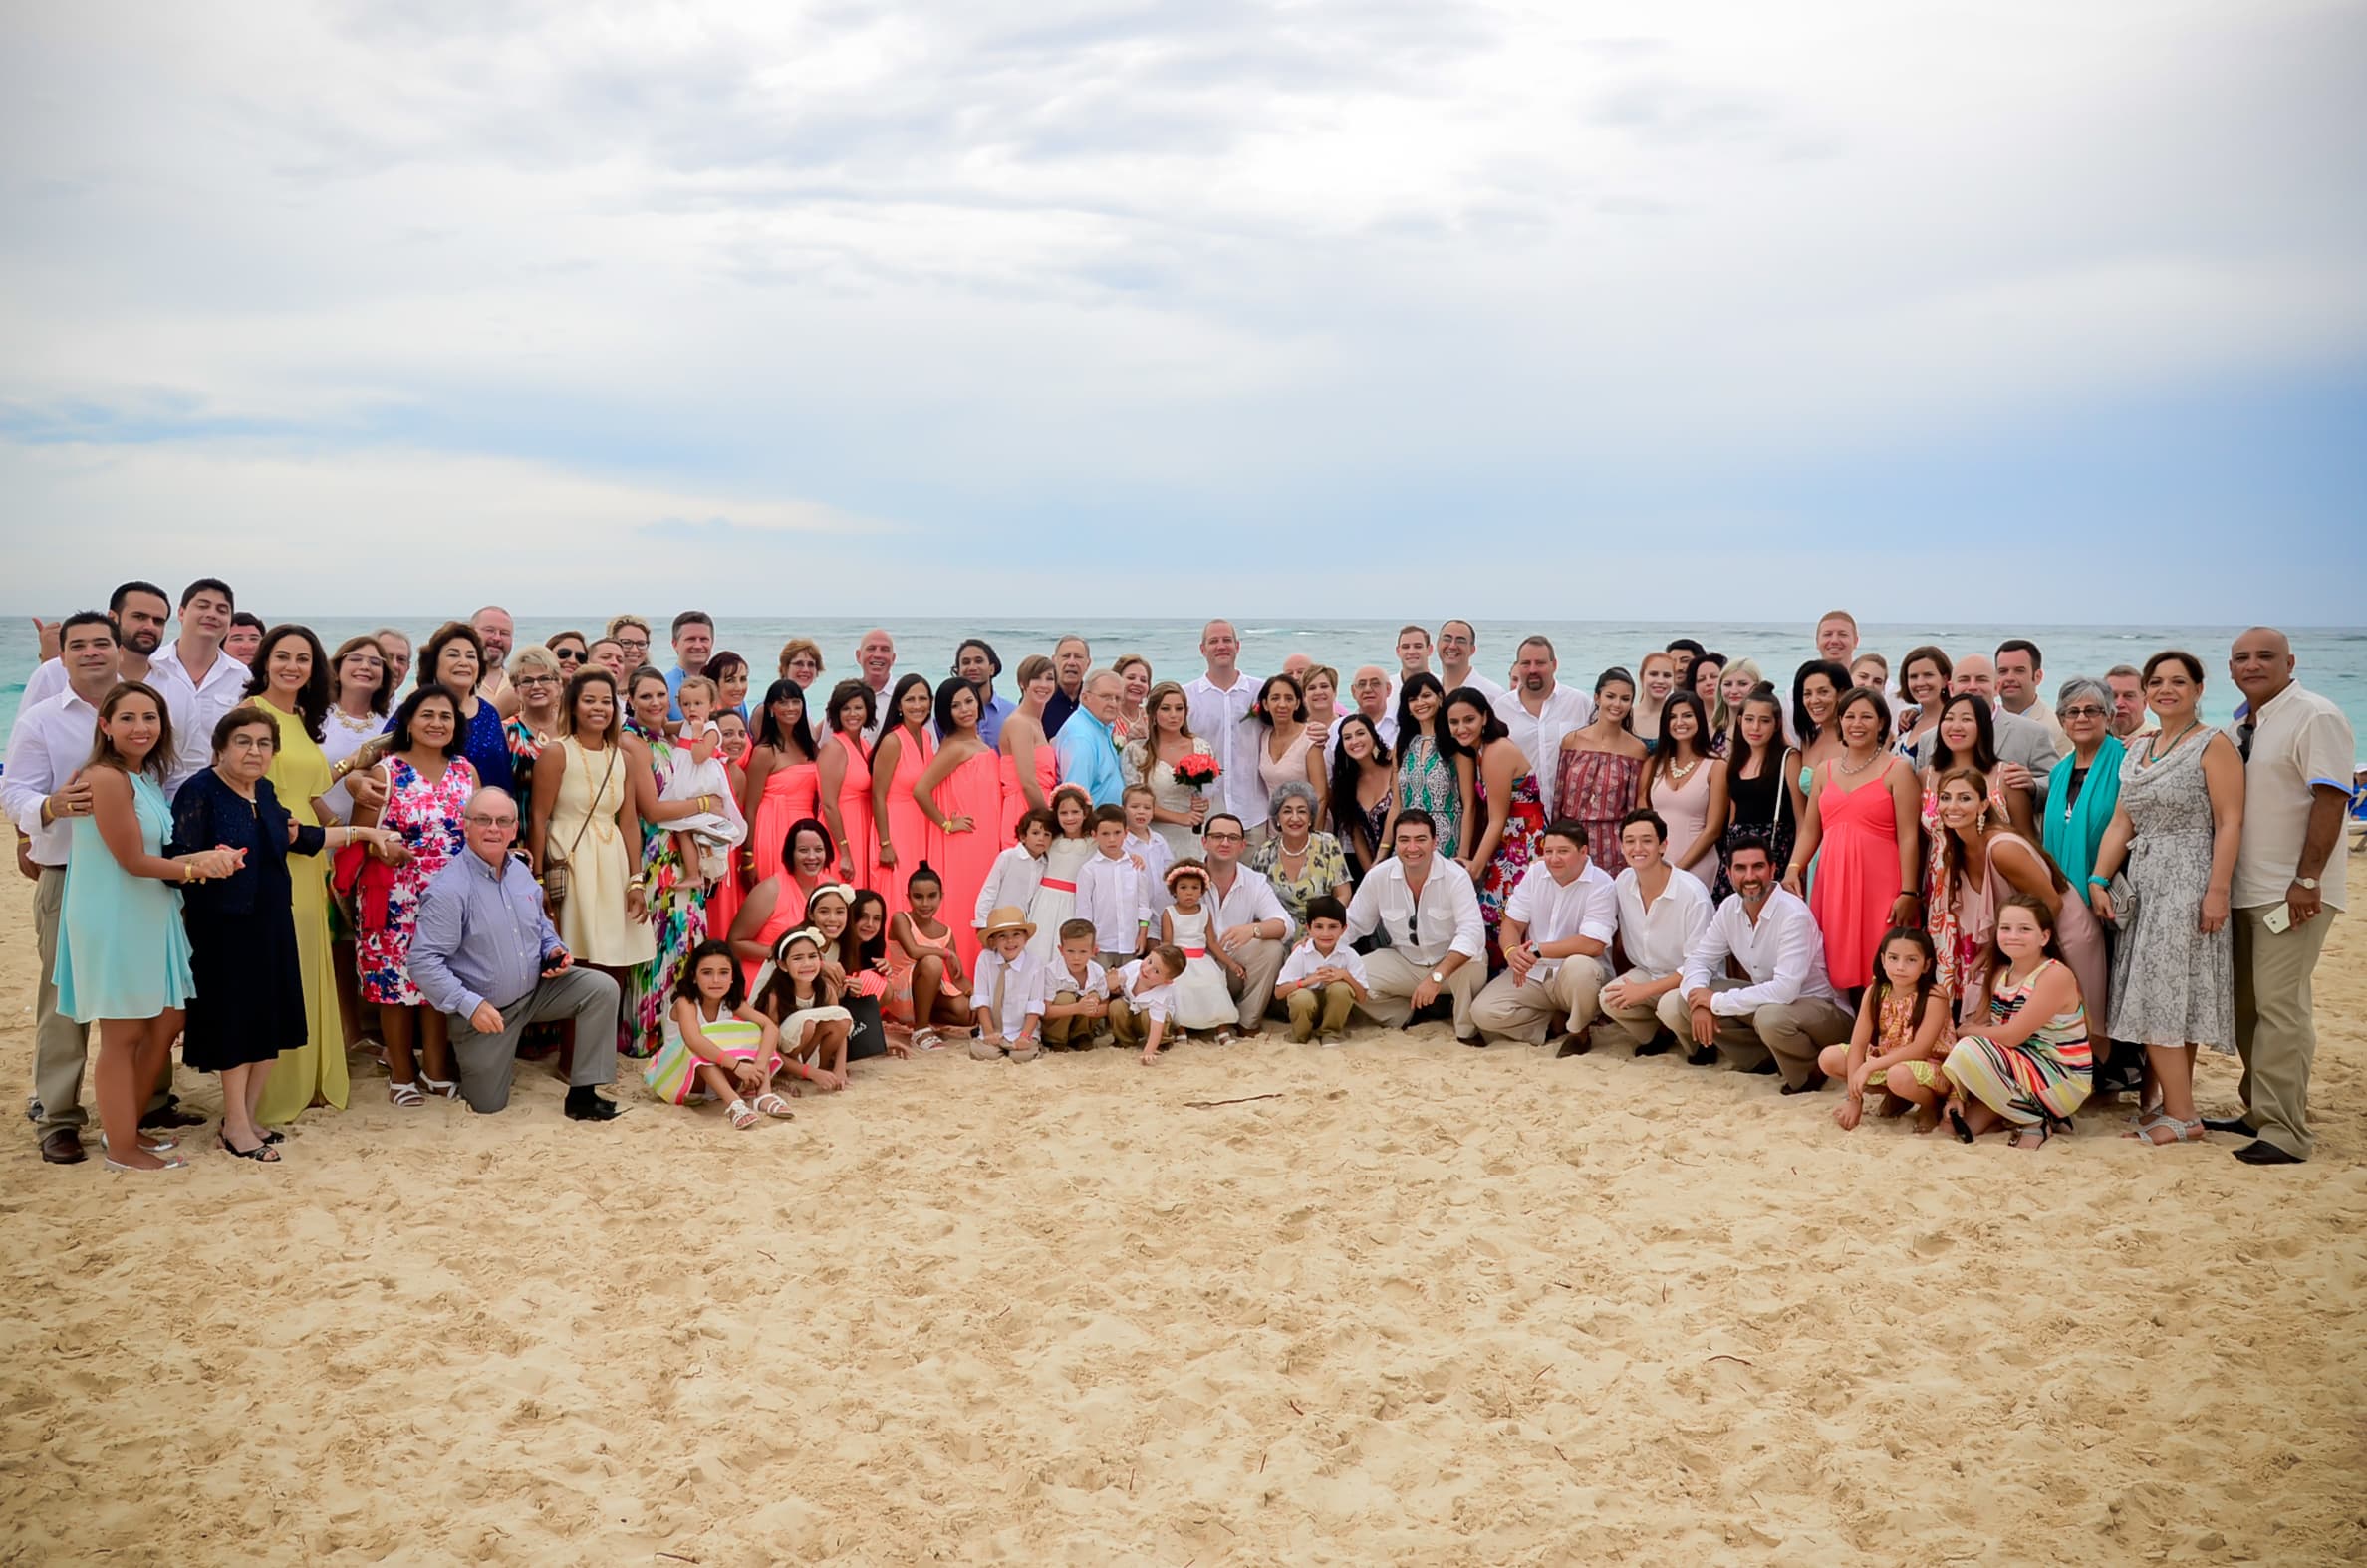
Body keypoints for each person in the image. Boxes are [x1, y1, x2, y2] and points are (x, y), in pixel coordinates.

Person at [174, 707, 395, 1159]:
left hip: (273, 920)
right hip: (223, 927)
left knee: (268, 1023)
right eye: (243, 742)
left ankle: (249, 1116)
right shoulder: (200, 791)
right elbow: (177, 859)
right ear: (221, 747)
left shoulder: (266, 792)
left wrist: (364, 834)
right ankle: (235, 1124)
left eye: (263, 744)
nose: (254, 751)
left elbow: (302, 839)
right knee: (236, 1029)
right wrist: (207, 862)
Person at [51, 683, 241, 1171]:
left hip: (150, 911)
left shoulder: (145, 780)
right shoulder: (105, 778)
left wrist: (201, 857)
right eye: (129, 718)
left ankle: (127, 1127)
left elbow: (156, 854)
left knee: (165, 1021)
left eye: (150, 718)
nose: (141, 728)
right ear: (105, 726)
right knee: (123, 1035)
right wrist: (196, 870)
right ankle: (121, 1147)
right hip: (115, 916)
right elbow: (133, 861)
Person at [5, 618, 156, 1163]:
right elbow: (14, 789)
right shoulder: (42, 718)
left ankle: (148, 1101)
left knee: (142, 993)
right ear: (60, 656)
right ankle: (59, 1116)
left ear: (118, 651)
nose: (90, 653)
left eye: (100, 643)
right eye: (78, 645)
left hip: (140, 882)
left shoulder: (142, 714)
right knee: (64, 1002)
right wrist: (48, 808)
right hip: (68, 877)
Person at [2088, 651, 2243, 1146]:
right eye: (2156, 682)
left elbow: (2231, 821)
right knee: (2170, 996)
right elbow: (2121, 820)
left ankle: (2182, 1116)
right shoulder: (2138, 749)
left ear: (2199, 689)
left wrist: (2216, 890)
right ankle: (2177, 1107)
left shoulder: (2214, 745)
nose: (2165, 690)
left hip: (2190, 876)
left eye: (2178, 681)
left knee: (2166, 995)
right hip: (2145, 877)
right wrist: (2098, 876)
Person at [2212, 627, 2353, 1165]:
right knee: (2248, 1007)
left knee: (2281, 1008)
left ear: (2290, 661)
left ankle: (2287, 1132)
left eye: (2265, 656)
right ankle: (2257, 1110)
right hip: (2246, 890)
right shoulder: (2241, 724)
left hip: (2292, 892)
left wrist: (2308, 879)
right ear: (2229, 670)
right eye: (2242, 658)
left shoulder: (2314, 715)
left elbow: (2332, 796)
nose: (2253, 665)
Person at [405, 788, 622, 1119]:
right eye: (483, 820)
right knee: (488, 1104)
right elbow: (422, 962)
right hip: (486, 1012)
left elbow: (540, 925)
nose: (494, 828)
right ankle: (459, 1060)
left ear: (514, 828)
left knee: (601, 989)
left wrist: (554, 950)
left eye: (503, 821)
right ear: (466, 827)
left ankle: (583, 1093)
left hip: (536, 991)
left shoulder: (521, 871)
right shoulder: (449, 889)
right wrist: (471, 1005)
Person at [244, 624, 356, 1126]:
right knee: (277, 968)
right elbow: (246, 789)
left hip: (312, 855)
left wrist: (345, 828)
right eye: (283, 656)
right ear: (264, 661)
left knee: (310, 964)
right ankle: (272, 1091)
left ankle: (312, 1078)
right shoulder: (251, 716)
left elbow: (311, 795)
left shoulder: (302, 721)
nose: (293, 666)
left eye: (304, 659)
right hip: (273, 854)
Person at [352, 684, 478, 1103]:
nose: (437, 723)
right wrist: (383, 846)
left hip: (453, 897)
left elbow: (478, 832)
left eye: (446, 716)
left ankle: (437, 1068)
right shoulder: (385, 771)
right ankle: (402, 1073)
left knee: (441, 983)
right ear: (408, 721)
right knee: (395, 986)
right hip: (396, 894)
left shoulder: (466, 770)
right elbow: (363, 834)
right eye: (427, 715)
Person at [1658, 838, 1853, 1092]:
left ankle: (1808, 1072)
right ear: (1728, 873)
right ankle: (1763, 1059)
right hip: (1773, 1007)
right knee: (1685, 999)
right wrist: (1698, 1000)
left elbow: (1785, 991)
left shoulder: (1793, 915)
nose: (1750, 876)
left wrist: (1713, 1002)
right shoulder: (1729, 907)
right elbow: (1699, 959)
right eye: (1740, 868)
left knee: (1770, 1017)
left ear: (1773, 870)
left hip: (1825, 1012)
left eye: (1758, 867)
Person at [1931, 766, 2109, 1043]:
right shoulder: (1957, 849)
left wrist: (2003, 954)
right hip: (2020, 939)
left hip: (2063, 934)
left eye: (1964, 798)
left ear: (1984, 804)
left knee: (2077, 1026)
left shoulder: (2002, 848)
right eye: (1945, 797)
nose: (1952, 806)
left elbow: (2051, 902)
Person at [1785, 688, 1921, 993]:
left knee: (1883, 961)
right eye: (1849, 716)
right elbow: (1810, 829)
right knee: (1831, 957)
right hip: (1832, 881)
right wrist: (1794, 867)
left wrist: (1908, 890)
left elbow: (1909, 835)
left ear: (1882, 722)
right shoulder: (1825, 771)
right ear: (1840, 721)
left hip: (1881, 883)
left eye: (1866, 717)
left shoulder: (1897, 771)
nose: (1856, 724)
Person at [528, 667, 656, 983]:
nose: (599, 708)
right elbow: (538, 817)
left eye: (606, 702)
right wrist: (538, 880)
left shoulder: (622, 758)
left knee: (616, 958)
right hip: (571, 860)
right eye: (589, 700)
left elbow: (628, 822)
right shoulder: (556, 753)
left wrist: (635, 880)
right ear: (573, 706)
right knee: (576, 961)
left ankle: (608, 1034)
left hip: (612, 860)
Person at [1936, 896, 2089, 1148]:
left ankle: (2034, 1120)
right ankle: (2020, 1115)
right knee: (1952, 1128)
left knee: (1967, 1047)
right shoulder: (2000, 974)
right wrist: (1956, 1092)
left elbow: (2012, 1036)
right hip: (2016, 1072)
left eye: (2025, 929)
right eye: (2006, 928)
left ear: (2045, 937)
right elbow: (1984, 1026)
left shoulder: (2054, 975)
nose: (2013, 936)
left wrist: (1968, 1031)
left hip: (2058, 1077)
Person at [622, 668, 717, 1057]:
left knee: (687, 942)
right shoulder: (632, 744)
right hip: (657, 854)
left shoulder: (669, 738)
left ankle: (686, 1033)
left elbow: (696, 722)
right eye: (645, 697)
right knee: (659, 945)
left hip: (684, 851)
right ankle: (651, 1037)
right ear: (629, 700)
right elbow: (654, 810)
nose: (655, 703)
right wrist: (707, 804)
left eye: (662, 694)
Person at [1918, 692, 2035, 1004]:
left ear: (1983, 726)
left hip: (1993, 886)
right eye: (1949, 719)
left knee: (1990, 967)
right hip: (1942, 889)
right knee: (1945, 974)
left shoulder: (2005, 776)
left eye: (1967, 719)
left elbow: (2027, 840)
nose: (1956, 726)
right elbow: (1918, 842)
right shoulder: (1925, 777)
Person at [1469, 820, 1617, 1050]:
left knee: (1579, 967)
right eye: (1548, 851)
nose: (1553, 858)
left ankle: (1579, 1032)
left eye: (1563, 851)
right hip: (1535, 973)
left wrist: (1536, 951)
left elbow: (1593, 945)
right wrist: (1512, 953)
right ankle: (1552, 1023)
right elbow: (1512, 924)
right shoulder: (1536, 872)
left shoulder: (1602, 883)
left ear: (1583, 851)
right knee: (1483, 1013)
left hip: (1576, 977)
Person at [1343, 811, 1486, 1043]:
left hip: (1450, 967)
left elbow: (1472, 934)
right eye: (1404, 840)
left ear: (1434, 842)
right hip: (1406, 962)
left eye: (1420, 839)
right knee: (1347, 974)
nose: (1411, 847)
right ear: (1395, 843)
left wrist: (1437, 977)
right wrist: (1319, 946)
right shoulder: (1378, 876)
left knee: (1473, 962)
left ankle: (1466, 1032)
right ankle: (1405, 1014)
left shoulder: (1456, 877)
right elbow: (1355, 923)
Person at [1598, 811, 1715, 1057]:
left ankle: (1700, 1045)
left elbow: (1698, 966)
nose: (1637, 848)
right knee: (1609, 998)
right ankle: (1660, 1034)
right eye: (1629, 841)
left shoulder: (1692, 894)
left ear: (1663, 846)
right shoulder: (1623, 881)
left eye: (1647, 840)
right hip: (1648, 972)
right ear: (1621, 846)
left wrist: (1644, 991)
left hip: (1692, 980)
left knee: (1669, 1006)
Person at [644, 941, 794, 1127]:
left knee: (755, 1031)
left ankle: (764, 1095)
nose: (716, 980)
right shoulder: (686, 1003)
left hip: (718, 1080)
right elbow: (693, 1040)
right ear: (693, 977)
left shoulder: (732, 1002)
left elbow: (770, 1027)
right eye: (707, 973)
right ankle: (734, 1104)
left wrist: (759, 1067)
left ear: (733, 977)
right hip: (680, 1080)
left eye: (723, 973)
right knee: (697, 1045)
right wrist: (738, 1066)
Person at [1818, 927, 1950, 1132]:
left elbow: (1920, 1049)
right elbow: (1859, 1044)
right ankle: (1897, 1095)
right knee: (1829, 1057)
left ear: (1926, 965)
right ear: (1882, 959)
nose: (1900, 967)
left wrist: (1869, 1067)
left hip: (1929, 1067)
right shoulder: (1876, 991)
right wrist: (1854, 1099)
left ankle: (1929, 1106)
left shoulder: (1934, 996)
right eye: (1893, 958)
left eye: (1911, 960)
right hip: (1888, 1060)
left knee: (1897, 1075)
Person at [913, 678, 1002, 971]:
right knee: (964, 906)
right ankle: (957, 975)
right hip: (963, 843)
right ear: (945, 713)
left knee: (982, 904)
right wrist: (947, 824)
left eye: (969, 701)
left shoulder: (980, 744)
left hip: (985, 841)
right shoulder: (954, 748)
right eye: (955, 705)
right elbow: (921, 790)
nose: (965, 710)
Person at [1448, 687, 1541, 957]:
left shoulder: (1496, 752)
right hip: (1509, 840)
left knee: (1502, 916)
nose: (1462, 728)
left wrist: (1474, 869)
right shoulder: (1480, 752)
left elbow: (1497, 818)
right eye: (1454, 722)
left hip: (1521, 843)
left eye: (1469, 720)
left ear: (1485, 718)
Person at [147, 578, 252, 793]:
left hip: (216, 796)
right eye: (202, 606)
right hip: (150, 793)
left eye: (222, 609)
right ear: (182, 612)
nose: (212, 614)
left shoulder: (242, 678)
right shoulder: (151, 666)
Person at [1195, 814, 1292, 1035]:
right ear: (1205, 842)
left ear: (1242, 845)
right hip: (1195, 970)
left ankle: (1247, 1023)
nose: (1225, 842)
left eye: (1232, 837)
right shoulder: (1186, 875)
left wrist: (1253, 930)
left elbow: (1285, 924)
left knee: (1271, 948)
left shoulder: (1254, 881)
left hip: (1233, 970)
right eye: (1218, 836)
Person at [398, 621, 512, 790]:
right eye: (453, 655)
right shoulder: (415, 708)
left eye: (471, 656)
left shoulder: (489, 713)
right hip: (423, 812)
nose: (464, 662)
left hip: (487, 813)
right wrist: (354, 777)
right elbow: (379, 756)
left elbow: (503, 775)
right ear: (434, 663)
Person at [2042, 677, 2126, 908]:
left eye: (2091, 711)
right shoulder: (2058, 772)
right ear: (2062, 721)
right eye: (2072, 712)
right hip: (2063, 897)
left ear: (2109, 717)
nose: (2081, 718)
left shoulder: (2127, 761)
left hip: (2113, 894)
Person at [20, 581, 169, 706]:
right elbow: (30, 732)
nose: (150, 626)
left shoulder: (173, 686)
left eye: (158, 621)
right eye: (139, 616)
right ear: (112, 617)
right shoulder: (52, 673)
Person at [1555, 668, 1648, 869]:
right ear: (1597, 698)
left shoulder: (1636, 750)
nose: (1617, 704)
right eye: (1610, 697)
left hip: (1612, 843)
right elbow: (1558, 798)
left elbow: (1633, 806)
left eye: (1625, 699)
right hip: (1571, 837)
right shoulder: (1572, 741)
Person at [1951, 653, 2059, 817]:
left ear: (1997, 688)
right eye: (1964, 680)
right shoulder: (1930, 739)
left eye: (1981, 680)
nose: (1972, 687)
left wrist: (2034, 785)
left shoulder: (2033, 733)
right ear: (1951, 689)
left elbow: (2059, 783)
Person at [1185, 621, 1267, 836]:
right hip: (1207, 813)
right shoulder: (1187, 696)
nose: (1221, 646)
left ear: (1237, 646)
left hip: (1255, 813)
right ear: (1203, 649)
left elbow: (1289, 725)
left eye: (1227, 640)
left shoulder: (1260, 691)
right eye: (1214, 641)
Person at [1638, 690, 1724, 891]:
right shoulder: (1653, 764)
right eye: (1672, 717)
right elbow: (1643, 817)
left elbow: (1713, 829)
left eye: (1687, 716)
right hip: (1656, 861)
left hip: (1697, 863)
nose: (1679, 722)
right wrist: (1655, 863)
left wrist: (1678, 869)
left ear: (1699, 719)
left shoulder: (1716, 766)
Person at [869, 672, 938, 920]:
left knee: (919, 892)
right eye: (910, 700)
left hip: (921, 826)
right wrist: (884, 843)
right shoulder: (892, 741)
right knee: (897, 892)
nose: (917, 705)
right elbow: (877, 795)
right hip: (895, 825)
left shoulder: (927, 737)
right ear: (898, 705)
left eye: (923, 699)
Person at [739, 679, 821, 887]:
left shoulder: (810, 748)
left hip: (806, 827)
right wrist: (747, 855)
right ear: (771, 709)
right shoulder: (764, 752)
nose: (791, 708)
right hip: (772, 827)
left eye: (796, 702)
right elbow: (750, 808)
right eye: (783, 703)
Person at [749, 927, 853, 1089]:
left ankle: (821, 1068)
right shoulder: (774, 997)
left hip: (814, 1054)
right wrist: (810, 1072)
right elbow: (770, 1050)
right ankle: (797, 1073)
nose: (807, 964)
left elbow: (842, 1028)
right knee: (808, 1024)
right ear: (783, 965)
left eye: (812, 957)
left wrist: (840, 1069)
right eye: (797, 959)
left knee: (841, 1019)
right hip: (785, 1058)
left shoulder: (826, 990)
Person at [1248, 781, 1353, 938]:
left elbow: (1343, 895)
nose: (1295, 818)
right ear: (1277, 818)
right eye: (1287, 811)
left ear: (1310, 818)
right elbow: (1256, 905)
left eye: (1302, 811)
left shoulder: (1328, 844)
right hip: (1280, 935)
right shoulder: (1264, 853)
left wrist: (1322, 930)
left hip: (1323, 933)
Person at [1717, 687, 1795, 900]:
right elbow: (1733, 817)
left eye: (1765, 721)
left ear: (1777, 724)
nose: (1756, 728)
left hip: (1774, 848)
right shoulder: (1735, 761)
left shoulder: (1788, 758)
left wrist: (1795, 866)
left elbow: (1802, 818)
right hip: (1738, 851)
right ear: (1740, 721)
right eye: (1750, 720)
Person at [1125, 680, 1215, 860]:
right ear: (1152, 713)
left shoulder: (1201, 747)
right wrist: (1180, 817)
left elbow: (1209, 792)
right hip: (1153, 837)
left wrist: (1204, 804)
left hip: (1192, 837)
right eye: (1165, 709)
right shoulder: (1136, 751)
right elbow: (1133, 803)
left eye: (1179, 709)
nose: (1173, 715)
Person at [1156, 862, 1242, 1040]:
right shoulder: (1169, 913)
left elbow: (1212, 943)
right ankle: (1181, 1030)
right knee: (1180, 990)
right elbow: (1166, 942)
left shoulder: (1204, 911)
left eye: (1195, 887)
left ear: (1203, 891)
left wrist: (1231, 964)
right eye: (1183, 887)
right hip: (1179, 962)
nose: (1189, 892)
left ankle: (1221, 1030)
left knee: (1214, 987)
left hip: (1202, 961)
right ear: (1174, 890)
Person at [1393, 672, 1473, 858]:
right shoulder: (1402, 745)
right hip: (1408, 839)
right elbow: (1396, 805)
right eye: (1413, 699)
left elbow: (1469, 805)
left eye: (1426, 696)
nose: (1420, 703)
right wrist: (1384, 850)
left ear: (1439, 698)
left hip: (1446, 838)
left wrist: (1463, 854)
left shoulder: (1456, 744)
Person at [1271, 896, 1370, 1045]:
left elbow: (1362, 998)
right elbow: (1279, 993)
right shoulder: (1301, 953)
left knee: (1341, 989)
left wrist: (1345, 976)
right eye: (1319, 927)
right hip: (1304, 1010)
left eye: (1332, 927)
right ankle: (1300, 1036)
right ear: (1309, 928)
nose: (1325, 934)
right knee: (1301, 997)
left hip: (1334, 1012)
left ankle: (1331, 1034)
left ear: (1343, 929)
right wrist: (1308, 981)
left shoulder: (1349, 955)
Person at [815, 679, 878, 891]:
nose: (853, 714)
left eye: (858, 708)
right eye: (846, 709)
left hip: (862, 827)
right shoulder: (834, 747)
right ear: (836, 713)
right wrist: (844, 852)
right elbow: (829, 804)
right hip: (841, 831)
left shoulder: (865, 745)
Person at [1073, 805, 1153, 968]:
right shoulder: (1089, 869)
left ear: (1126, 832)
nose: (1111, 839)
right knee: (1101, 986)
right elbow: (1084, 911)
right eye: (1105, 833)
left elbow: (1143, 905)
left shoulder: (1135, 866)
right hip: (1101, 944)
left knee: (1127, 986)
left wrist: (1142, 934)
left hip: (1130, 943)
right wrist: (1088, 943)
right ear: (1094, 835)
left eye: (1117, 833)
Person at [1024, 786, 1097, 958]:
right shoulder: (1051, 838)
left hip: (1075, 902)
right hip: (1046, 901)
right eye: (1063, 813)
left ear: (1085, 813)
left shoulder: (1093, 842)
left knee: (1067, 948)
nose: (1070, 817)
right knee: (1039, 947)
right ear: (1055, 814)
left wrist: (1134, 857)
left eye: (1075, 812)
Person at [968, 906, 1049, 1060]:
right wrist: (989, 1032)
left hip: (1022, 1029)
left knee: (1022, 1056)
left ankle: (1021, 1043)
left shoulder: (1035, 964)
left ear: (1026, 938)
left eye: (1016, 935)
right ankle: (989, 1039)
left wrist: (1025, 1036)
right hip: (992, 1029)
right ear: (993, 942)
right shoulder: (985, 960)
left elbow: (1035, 1005)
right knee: (985, 1053)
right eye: (1002, 937)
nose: (1010, 941)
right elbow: (981, 1000)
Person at [1327, 713, 1398, 883]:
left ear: (1373, 736)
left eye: (1360, 733)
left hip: (1407, 856)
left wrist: (1382, 855)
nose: (1354, 741)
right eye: (1347, 738)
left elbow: (1398, 807)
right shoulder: (1346, 785)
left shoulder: (1395, 766)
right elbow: (1356, 836)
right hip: (1377, 870)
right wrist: (1371, 875)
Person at [997, 654, 1061, 840]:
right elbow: (1028, 782)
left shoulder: (1036, 722)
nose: (1044, 684)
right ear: (1022, 684)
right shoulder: (1019, 723)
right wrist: (1050, 821)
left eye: (1049, 679)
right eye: (1036, 678)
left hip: (1039, 806)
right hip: (1025, 810)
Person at [1251, 672, 1326, 824]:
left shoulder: (1310, 738)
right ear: (1265, 704)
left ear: (1297, 704)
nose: (1282, 705)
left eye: (1289, 699)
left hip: (1306, 825)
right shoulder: (1264, 737)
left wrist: (1314, 837)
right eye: (1275, 698)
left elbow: (1321, 795)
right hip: (1276, 827)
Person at [1030, 917, 1114, 1050]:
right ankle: (1056, 1040)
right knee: (1065, 998)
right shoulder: (1051, 972)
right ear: (1061, 950)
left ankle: (1081, 1036)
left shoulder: (1097, 971)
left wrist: (1091, 1008)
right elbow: (1045, 1011)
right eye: (1070, 951)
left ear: (1093, 952)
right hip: (1056, 1022)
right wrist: (1078, 1008)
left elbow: (1105, 1005)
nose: (1076, 958)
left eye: (1083, 952)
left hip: (1083, 1019)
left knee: (1092, 996)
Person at [1785, 660, 1851, 823]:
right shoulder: (1808, 740)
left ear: (1841, 694)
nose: (1814, 701)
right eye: (1807, 694)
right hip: (1815, 838)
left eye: (1823, 692)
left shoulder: (1856, 740)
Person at [502, 644, 567, 803]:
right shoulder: (504, 732)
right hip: (522, 822)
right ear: (516, 691)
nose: (536, 687)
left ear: (559, 686)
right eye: (527, 681)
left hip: (570, 824)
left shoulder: (572, 730)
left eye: (544, 679)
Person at [1055, 669, 1128, 809]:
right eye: (1106, 697)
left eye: (1118, 699)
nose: (1113, 704)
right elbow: (1076, 799)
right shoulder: (1080, 738)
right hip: (1093, 826)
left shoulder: (1100, 726)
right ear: (1085, 698)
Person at [1110, 945, 1186, 1064]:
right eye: (1149, 961)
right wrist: (1112, 983)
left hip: (1155, 1021)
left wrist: (1149, 1051)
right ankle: (1124, 1041)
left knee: (1148, 1015)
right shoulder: (1134, 967)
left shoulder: (1161, 994)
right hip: (1133, 1011)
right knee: (1116, 1006)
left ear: (1166, 981)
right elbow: (1113, 982)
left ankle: (1162, 1042)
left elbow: (1157, 1025)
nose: (1146, 970)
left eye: (1156, 971)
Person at [1994, 639, 2067, 748]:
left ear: (2038, 677)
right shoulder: (1986, 722)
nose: (2010, 678)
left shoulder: (2057, 729)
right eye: (2003, 671)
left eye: (2019, 671)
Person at [1331, 664, 1401, 769]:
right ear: (1353, 692)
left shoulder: (1402, 726)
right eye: (1362, 685)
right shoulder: (1337, 728)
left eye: (1375, 684)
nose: (1367, 689)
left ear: (1388, 689)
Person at [1893, 645, 1954, 764]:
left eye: (1928, 675)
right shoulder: (1908, 722)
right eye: (1913, 677)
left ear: (1945, 680)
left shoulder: (1953, 725)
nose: (1920, 683)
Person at [1436, 620, 1506, 703]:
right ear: (1437, 644)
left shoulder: (1493, 695)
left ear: (1472, 649)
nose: (1452, 646)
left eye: (1461, 641)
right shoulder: (1431, 691)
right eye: (1447, 639)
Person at [662, 611, 713, 719]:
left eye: (704, 639)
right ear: (675, 644)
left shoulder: (726, 686)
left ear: (712, 642)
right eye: (691, 639)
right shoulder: (663, 688)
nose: (698, 645)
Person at [851, 629, 898, 747]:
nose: (877, 655)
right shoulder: (844, 697)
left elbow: (930, 746)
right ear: (858, 656)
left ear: (893, 659)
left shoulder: (905, 698)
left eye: (884, 650)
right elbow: (826, 744)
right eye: (871, 648)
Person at [1041, 635, 1092, 738]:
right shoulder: (1040, 699)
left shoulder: (1094, 700)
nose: (1071, 663)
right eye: (1066, 656)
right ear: (1054, 661)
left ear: (1088, 663)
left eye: (1078, 657)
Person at [1630, 652, 1678, 750]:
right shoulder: (1626, 717)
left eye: (1667, 676)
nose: (1660, 681)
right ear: (1641, 677)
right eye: (1653, 674)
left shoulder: (1677, 719)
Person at [471, 606, 515, 711]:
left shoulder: (520, 682)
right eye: (490, 630)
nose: (497, 638)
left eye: (504, 633)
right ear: (471, 632)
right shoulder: (456, 681)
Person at [1111, 654, 1156, 747]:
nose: (1137, 683)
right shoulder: (1107, 718)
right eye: (1130, 678)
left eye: (1143, 681)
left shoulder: (1152, 718)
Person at [1690, 652, 1729, 741]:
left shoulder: (1739, 719)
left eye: (1714, 677)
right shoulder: (1689, 721)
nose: (1708, 683)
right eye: (1701, 679)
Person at [701, 650, 751, 722]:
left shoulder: (739, 709)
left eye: (743, 679)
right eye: (730, 681)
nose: (739, 688)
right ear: (714, 684)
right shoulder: (707, 719)